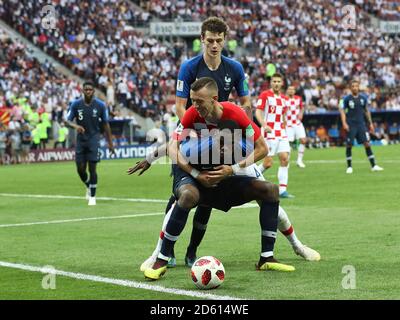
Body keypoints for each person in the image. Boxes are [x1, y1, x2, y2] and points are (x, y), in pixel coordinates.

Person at [143, 77, 295, 280]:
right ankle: (161, 259)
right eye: (193, 100)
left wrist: (232, 169)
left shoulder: (236, 114)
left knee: (270, 190)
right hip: (193, 175)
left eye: (199, 101)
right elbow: (172, 147)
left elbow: (262, 149)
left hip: (223, 175)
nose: (195, 106)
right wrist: (196, 174)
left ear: (214, 99)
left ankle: (266, 258)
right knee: (188, 196)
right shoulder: (191, 114)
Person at [132, 17, 253, 269]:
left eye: (219, 41)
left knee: (210, 190)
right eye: (210, 40)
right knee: (182, 191)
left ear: (224, 41)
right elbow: (179, 105)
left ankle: (192, 251)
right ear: (201, 40)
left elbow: (246, 103)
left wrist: (235, 129)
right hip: (192, 132)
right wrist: (197, 129)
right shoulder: (189, 67)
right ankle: (163, 250)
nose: (215, 45)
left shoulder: (235, 68)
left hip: (221, 135)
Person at [66, 81, 115, 206]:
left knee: (92, 168)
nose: (88, 91)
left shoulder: (100, 105)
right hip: (81, 141)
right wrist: (75, 126)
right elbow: (67, 121)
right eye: (86, 89)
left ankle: (92, 197)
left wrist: (110, 144)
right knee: (80, 169)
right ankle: (88, 185)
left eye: (90, 90)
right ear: (83, 91)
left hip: (94, 140)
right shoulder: (76, 104)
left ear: (93, 91)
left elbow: (106, 124)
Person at [255, 73, 294, 198]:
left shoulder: (284, 98)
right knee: (268, 163)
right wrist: (264, 125)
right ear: (271, 83)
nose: (276, 83)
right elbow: (258, 112)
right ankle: (252, 177)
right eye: (274, 81)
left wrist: (285, 127)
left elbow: (282, 115)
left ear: (282, 83)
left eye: (279, 81)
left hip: (281, 132)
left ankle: (282, 190)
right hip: (268, 132)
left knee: (285, 158)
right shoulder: (265, 95)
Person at [339, 80, 383, 174]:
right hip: (351, 125)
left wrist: (370, 123)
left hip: (361, 125)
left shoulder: (363, 98)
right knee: (349, 144)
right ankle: (349, 167)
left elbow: (367, 111)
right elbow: (342, 111)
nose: (355, 88)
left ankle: (373, 165)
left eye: (356, 86)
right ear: (351, 88)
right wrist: (344, 123)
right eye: (353, 86)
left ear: (359, 87)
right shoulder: (347, 99)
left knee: (367, 143)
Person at [286, 85, 307, 168]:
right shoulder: (284, 99)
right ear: (287, 90)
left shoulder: (298, 98)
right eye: (289, 89)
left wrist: (301, 113)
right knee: (288, 143)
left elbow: (302, 108)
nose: (291, 91)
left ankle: (299, 161)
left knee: (303, 140)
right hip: (288, 125)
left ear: (294, 91)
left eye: (292, 89)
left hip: (297, 123)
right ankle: (287, 161)